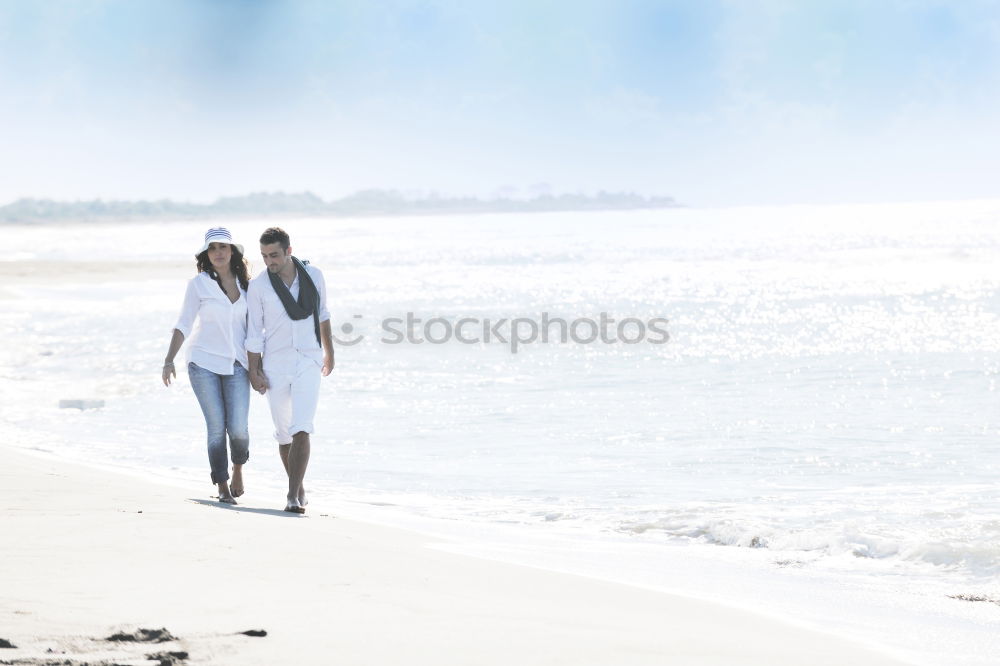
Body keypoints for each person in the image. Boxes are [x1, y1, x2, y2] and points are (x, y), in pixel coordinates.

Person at [246, 227, 335, 514]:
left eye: (274, 255)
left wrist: (329, 352)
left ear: (288, 252)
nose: (269, 261)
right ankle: (299, 487)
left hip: (308, 360)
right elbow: (253, 333)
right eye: (264, 256)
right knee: (284, 434)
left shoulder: (314, 276)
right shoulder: (259, 286)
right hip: (275, 364)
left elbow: (322, 314)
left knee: (301, 427)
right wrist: (253, 369)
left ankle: (292, 495)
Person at [162, 227, 251, 505]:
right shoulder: (198, 284)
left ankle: (238, 469)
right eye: (212, 248)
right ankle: (222, 484)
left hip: (238, 363)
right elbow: (184, 323)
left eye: (223, 247)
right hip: (203, 362)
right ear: (206, 254)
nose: (218, 253)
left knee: (238, 429)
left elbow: (258, 328)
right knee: (216, 427)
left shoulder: (249, 284)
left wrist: (262, 367)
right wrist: (168, 359)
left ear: (233, 252)